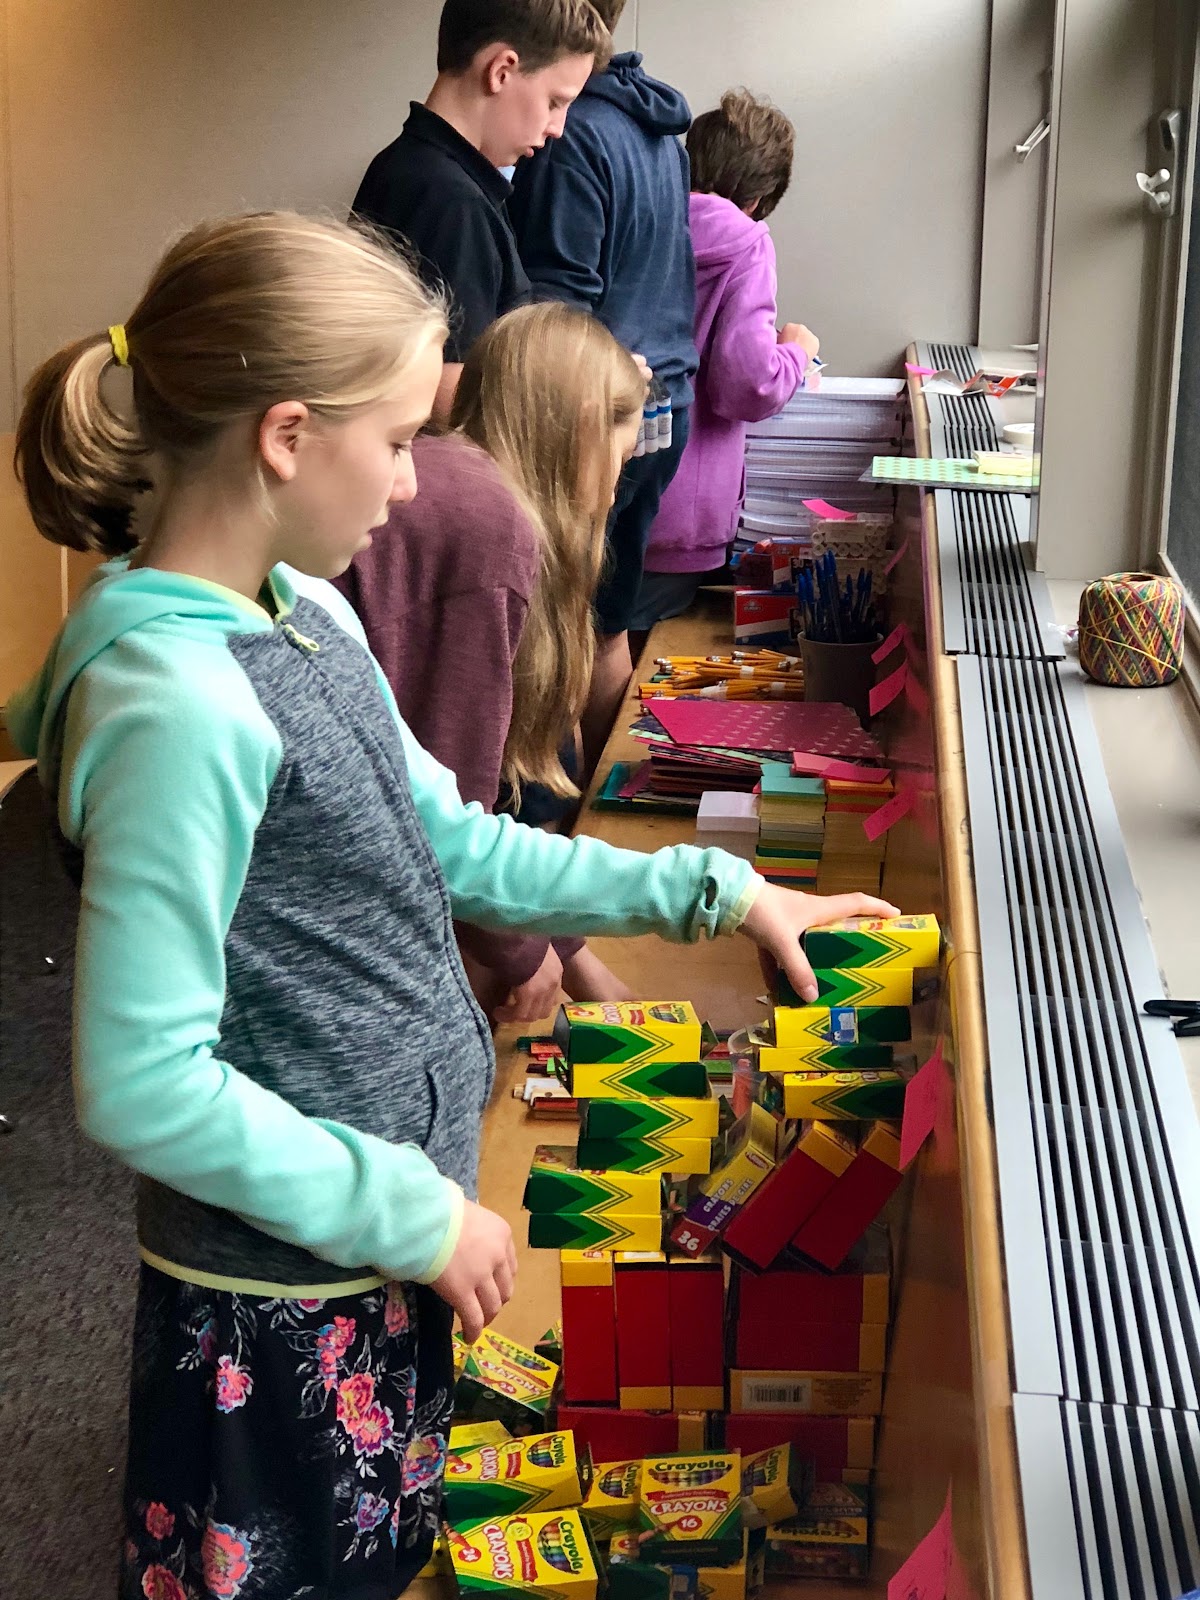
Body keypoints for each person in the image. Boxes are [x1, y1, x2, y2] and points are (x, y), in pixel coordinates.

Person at [7, 211, 897, 1597]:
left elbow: (457, 846)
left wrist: (721, 889)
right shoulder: (173, 705)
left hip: (377, 1245)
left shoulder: (304, 609)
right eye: (400, 439)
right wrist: (414, 1217)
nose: (417, 483)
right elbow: (140, 1083)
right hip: (281, 1305)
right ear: (287, 437)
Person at [335, 301, 643, 1027]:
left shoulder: (468, 485)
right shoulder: (485, 524)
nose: (612, 492)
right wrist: (518, 949)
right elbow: (451, 803)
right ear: (582, 431)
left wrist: (568, 953)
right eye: (621, 461)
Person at [508, 0, 698, 773]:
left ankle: (559, 816)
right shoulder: (659, 130)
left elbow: (560, 306)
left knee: (552, 633)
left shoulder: (573, 132)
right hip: (662, 403)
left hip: (595, 414)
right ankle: (611, 804)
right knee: (607, 626)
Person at [351, 0, 608, 420]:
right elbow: (446, 389)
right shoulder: (449, 200)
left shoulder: (405, 167)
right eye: (555, 102)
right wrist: (575, 392)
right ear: (501, 70)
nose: (558, 129)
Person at [633, 91, 820, 632]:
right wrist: (796, 352)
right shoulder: (747, 244)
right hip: (686, 513)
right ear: (758, 197)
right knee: (638, 652)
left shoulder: (640, 216)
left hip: (610, 484)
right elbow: (748, 384)